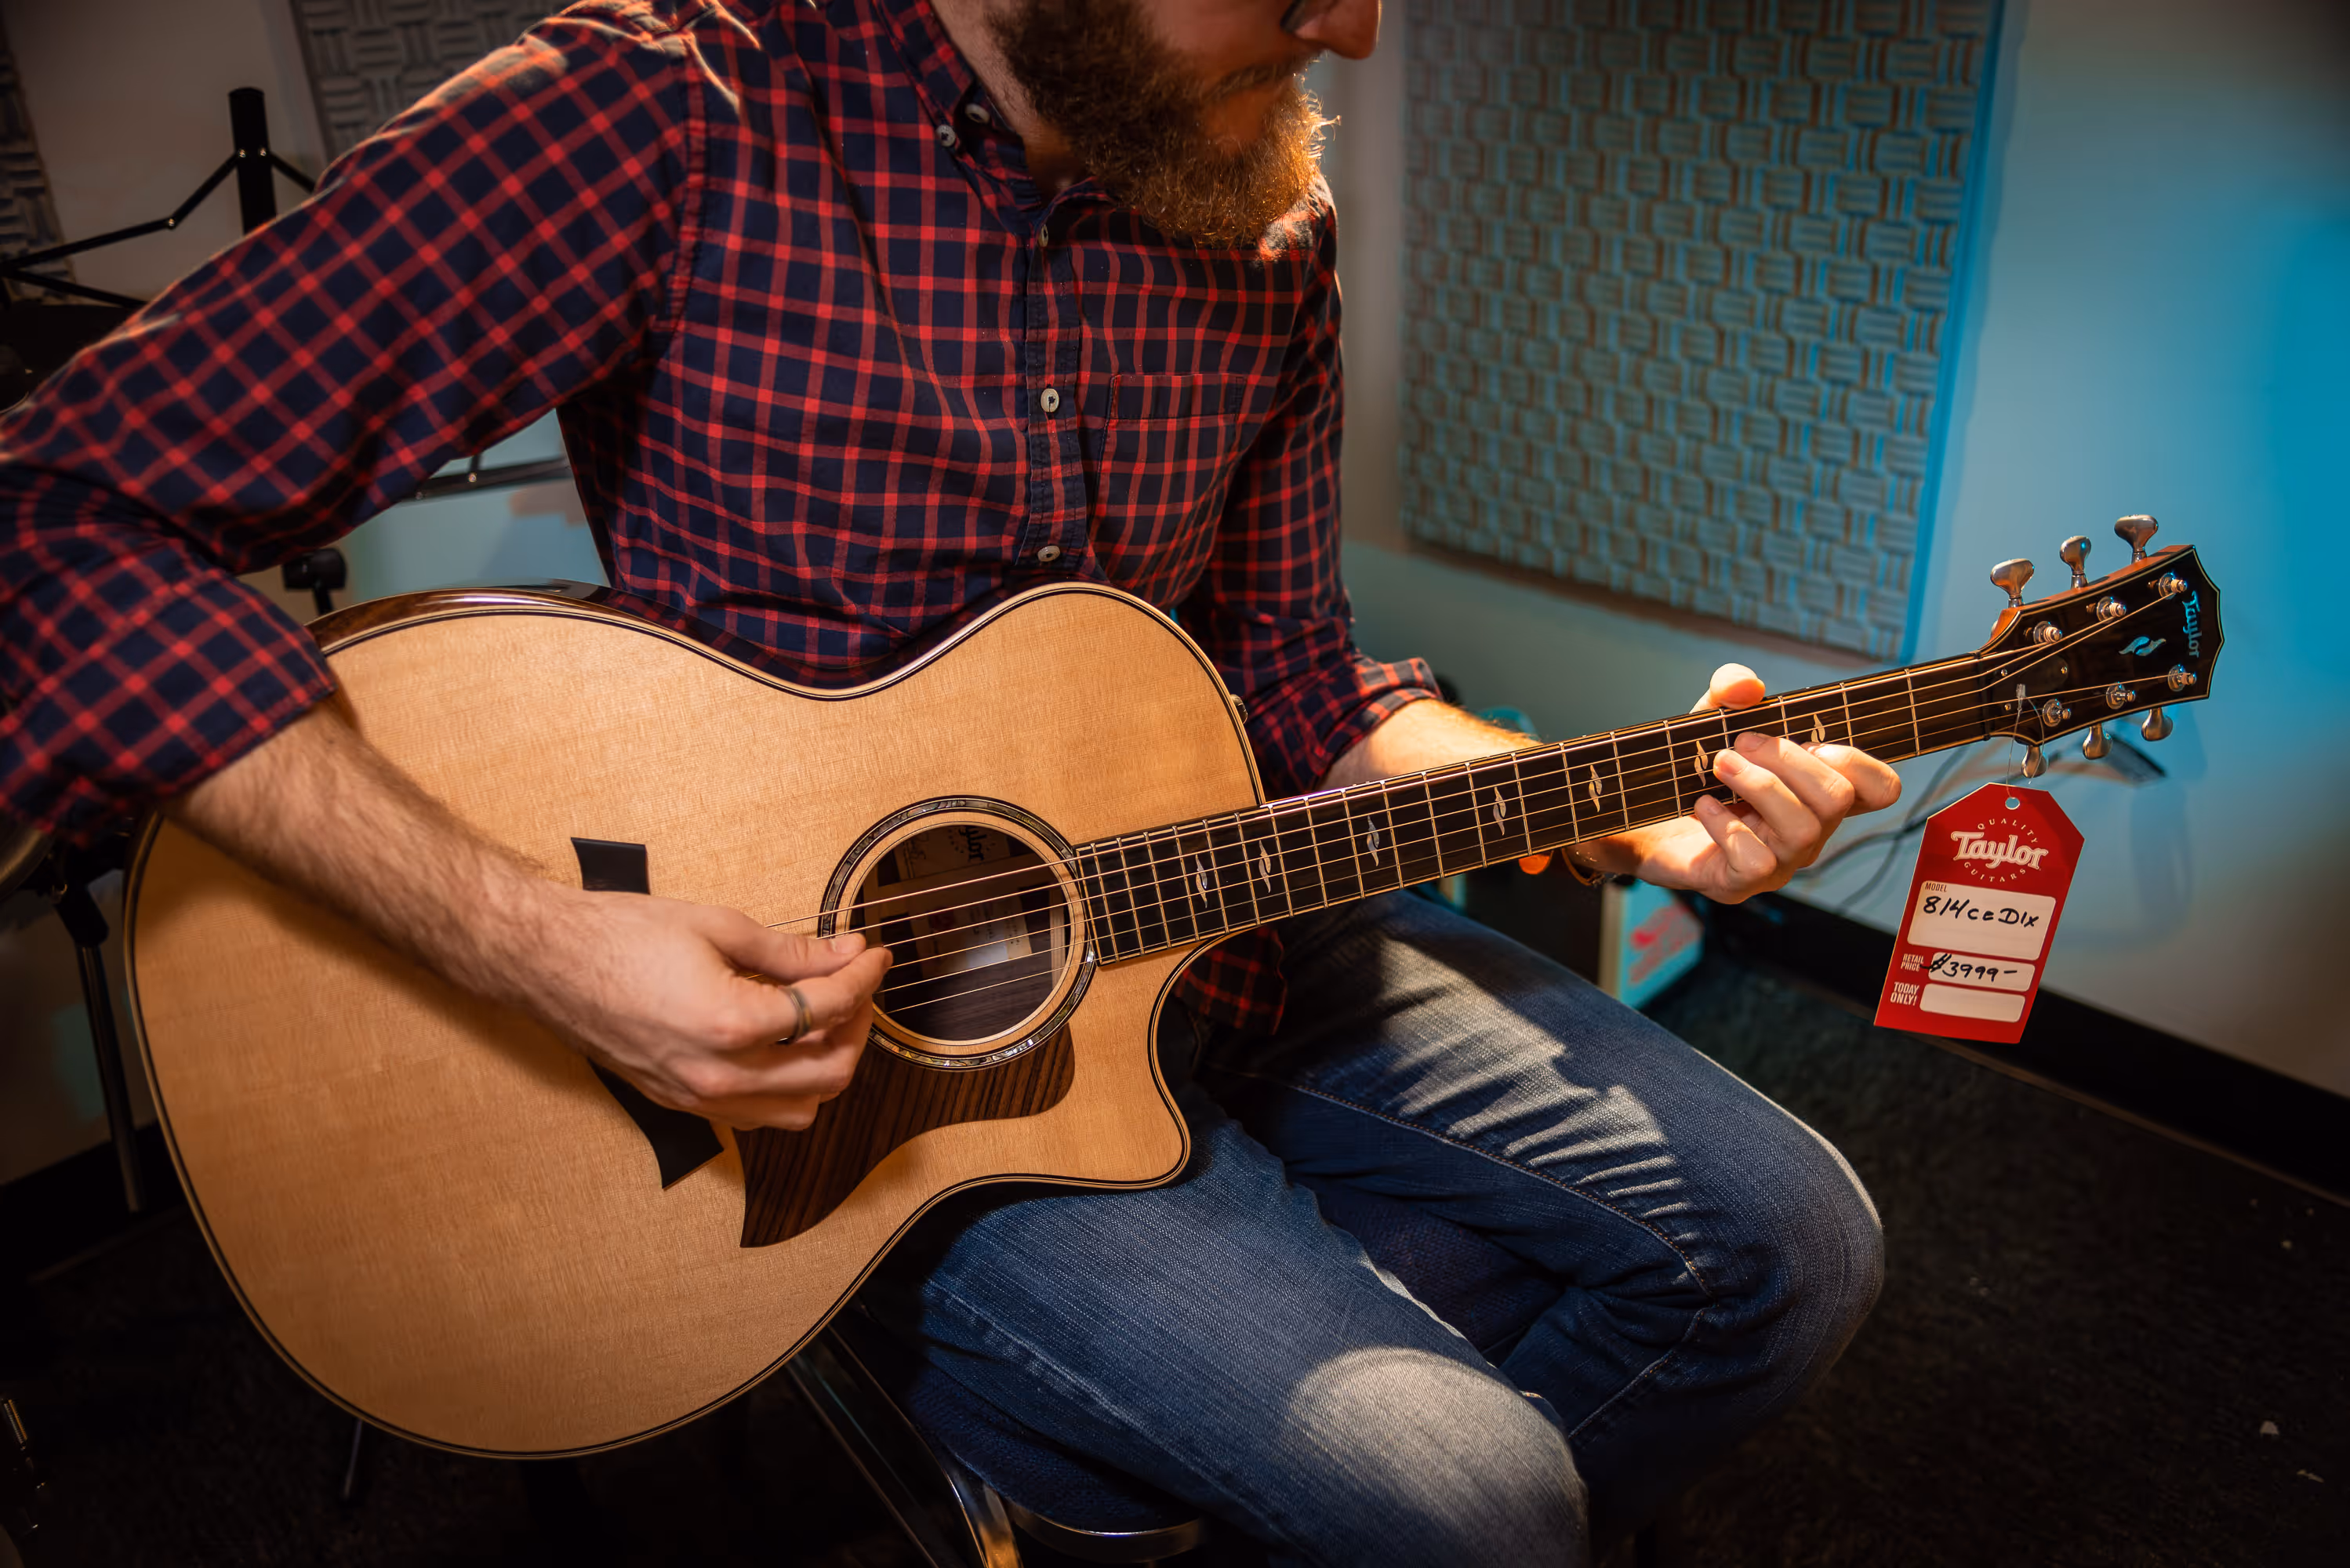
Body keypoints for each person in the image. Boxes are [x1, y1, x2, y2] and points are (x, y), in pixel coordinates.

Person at [0, 2, 1898, 1560]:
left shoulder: (1265, 224)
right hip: (860, 1085)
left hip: (1212, 924)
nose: (1355, 32)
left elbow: (1300, 681)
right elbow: (55, 522)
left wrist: (1612, 802)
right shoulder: (665, 115)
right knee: (1478, 1504)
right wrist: (538, 946)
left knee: (1799, 1246)